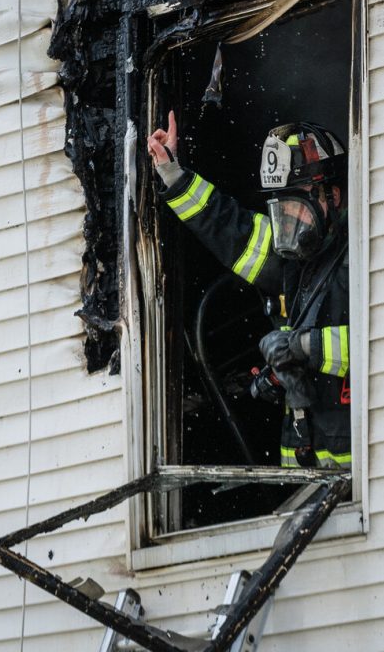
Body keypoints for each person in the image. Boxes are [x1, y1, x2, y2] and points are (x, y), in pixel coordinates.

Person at [148, 111, 350, 472]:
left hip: (362, 477)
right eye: (282, 209)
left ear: (332, 196)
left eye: (298, 206)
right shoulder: (291, 257)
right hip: (302, 472)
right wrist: (172, 175)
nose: (290, 221)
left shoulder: (363, 255)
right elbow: (228, 227)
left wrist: (304, 348)